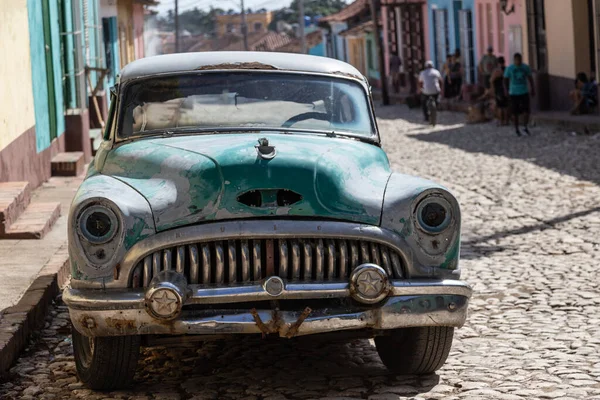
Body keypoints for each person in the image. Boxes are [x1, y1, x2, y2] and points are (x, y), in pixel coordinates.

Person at [504, 53, 535, 136]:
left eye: (520, 60)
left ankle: (525, 126)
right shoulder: (509, 68)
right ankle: (517, 128)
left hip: (524, 91)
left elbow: (530, 78)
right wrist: (506, 90)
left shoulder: (525, 67)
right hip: (513, 92)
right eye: (517, 60)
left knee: (526, 110)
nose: (518, 62)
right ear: (514, 60)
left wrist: (532, 88)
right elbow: (506, 79)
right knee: (515, 112)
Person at [491, 56, 509, 125]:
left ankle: (501, 121)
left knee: (500, 107)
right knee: (506, 106)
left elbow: (491, 80)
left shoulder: (497, 71)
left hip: (499, 90)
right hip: (506, 90)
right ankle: (506, 121)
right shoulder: (506, 69)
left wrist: (493, 90)